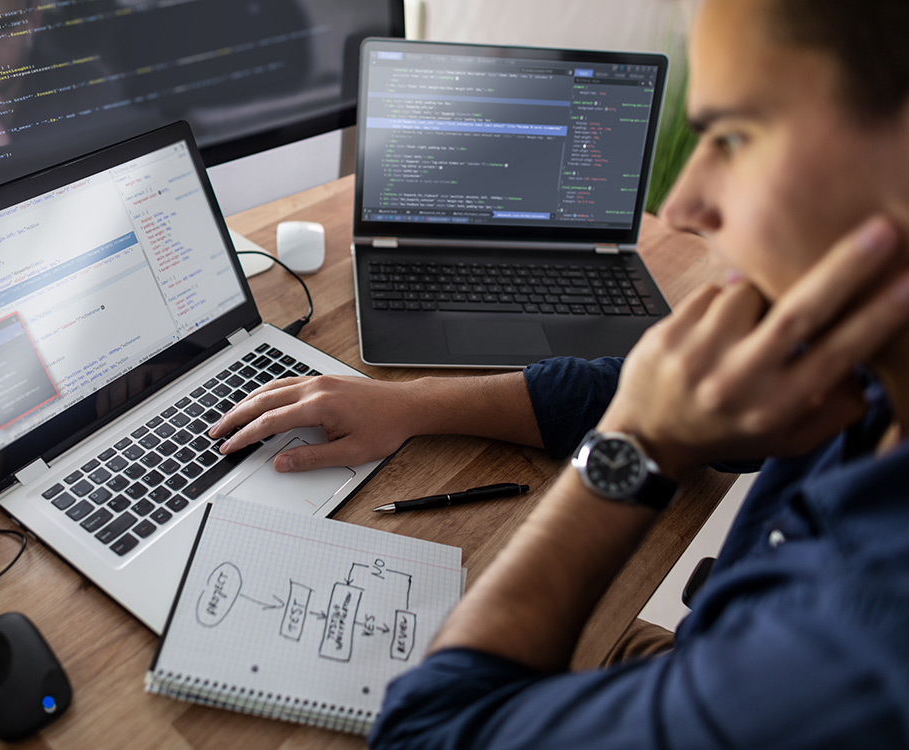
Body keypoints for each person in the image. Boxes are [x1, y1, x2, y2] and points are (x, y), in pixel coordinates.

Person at [211, 0, 909, 745]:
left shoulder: (852, 652)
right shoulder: (864, 374)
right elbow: (726, 424)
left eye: (736, 136)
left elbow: (428, 731)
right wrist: (410, 405)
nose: (684, 205)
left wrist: (636, 441)